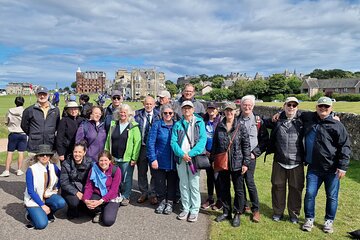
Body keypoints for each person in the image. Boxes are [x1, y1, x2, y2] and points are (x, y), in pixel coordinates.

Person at [301, 97, 351, 234]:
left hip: (332, 169)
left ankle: (329, 221)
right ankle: (309, 219)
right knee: (310, 194)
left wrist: (343, 166)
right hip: (314, 168)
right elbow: (294, 112)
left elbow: (345, 146)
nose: (323, 109)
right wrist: (280, 113)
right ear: (316, 107)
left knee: (332, 196)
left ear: (331, 109)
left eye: (326, 107)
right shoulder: (310, 119)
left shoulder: (337, 125)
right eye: (320, 106)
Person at [265, 97, 304, 224]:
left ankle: (294, 214)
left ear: (297, 107)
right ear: (284, 106)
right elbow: (262, 122)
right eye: (289, 104)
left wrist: (333, 115)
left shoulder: (303, 120)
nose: (291, 107)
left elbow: (320, 114)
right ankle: (278, 212)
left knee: (296, 188)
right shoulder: (277, 120)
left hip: (297, 161)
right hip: (280, 160)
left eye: (294, 105)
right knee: (277, 187)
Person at [212, 102, 251, 227]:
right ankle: (226, 211)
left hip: (237, 163)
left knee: (239, 190)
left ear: (235, 111)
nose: (229, 113)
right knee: (224, 188)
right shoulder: (219, 126)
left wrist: (246, 163)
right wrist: (214, 160)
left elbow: (246, 146)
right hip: (223, 163)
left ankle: (237, 213)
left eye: (231, 110)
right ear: (224, 112)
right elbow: (215, 145)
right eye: (227, 110)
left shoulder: (241, 127)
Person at [170, 100, 206, 222]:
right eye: (184, 108)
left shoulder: (199, 122)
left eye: (189, 108)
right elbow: (173, 142)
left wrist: (190, 154)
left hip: (193, 159)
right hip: (181, 159)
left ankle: (194, 209)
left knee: (194, 184)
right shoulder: (178, 124)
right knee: (184, 184)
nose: (187, 110)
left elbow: (202, 141)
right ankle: (186, 208)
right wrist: (182, 154)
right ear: (181, 109)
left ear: (193, 109)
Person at [238, 95, 269, 223]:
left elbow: (264, 140)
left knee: (249, 182)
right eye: (245, 104)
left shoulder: (258, 121)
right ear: (241, 106)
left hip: (250, 156)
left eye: (249, 105)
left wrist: (255, 153)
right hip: (237, 156)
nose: (247, 107)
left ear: (253, 106)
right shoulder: (236, 119)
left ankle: (256, 210)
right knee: (239, 182)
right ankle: (244, 205)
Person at [104, 104, 141, 206]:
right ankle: (115, 193)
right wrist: (107, 155)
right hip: (114, 157)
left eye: (125, 112)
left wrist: (134, 158)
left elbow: (137, 143)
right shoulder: (113, 124)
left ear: (129, 113)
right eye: (121, 112)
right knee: (114, 177)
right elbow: (108, 140)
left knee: (126, 178)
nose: (123, 114)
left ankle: (126, 196)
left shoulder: (133, 126)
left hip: (127, 158)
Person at [24, 144, 66, 229]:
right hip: (34, 199)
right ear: (38, 157)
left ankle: (48, 212)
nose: (45, 156)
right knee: (41, 225)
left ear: (50, 156)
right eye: (42, 155)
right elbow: (31, 191)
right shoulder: (31, 169)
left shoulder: (53, 166)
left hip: (47, 195)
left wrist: (56, 188)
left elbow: (61, 177)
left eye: (47, 154)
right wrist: (42, 205)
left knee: (61, 202)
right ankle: (30, 215)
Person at [147, 104, 177, 215]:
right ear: (161, 114)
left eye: (170, 113)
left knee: (172, 183)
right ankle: (162, 201)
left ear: (173, 114)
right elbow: (151, 143)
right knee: (159, 183)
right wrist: (153, 159)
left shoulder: (176, 125)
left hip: (173, 160)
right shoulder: (157, 125)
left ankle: (170, 203)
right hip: (159, 160)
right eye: (165, 113)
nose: (168, 115)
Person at [134, 96, 161, 204]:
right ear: (143, 104)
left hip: (154, 147)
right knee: (141, 170)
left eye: (151, 104)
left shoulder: (159, 115)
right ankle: (143, 192)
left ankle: (153, 193)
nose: (148, 106)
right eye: (147, 104)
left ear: (154, 104)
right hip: (142, 146)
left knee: (154, 171)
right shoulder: (137, 114)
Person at [83, 150, 121, 226]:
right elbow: (89, 186)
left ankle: (107, 208)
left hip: (111, 196)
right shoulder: (93, 169)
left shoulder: (116, 170)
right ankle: (99, 211)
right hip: (97, 194)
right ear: (98, 161)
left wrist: (100, 201)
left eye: (105, 160)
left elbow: (114, 190)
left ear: (110, 161)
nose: (103, 163)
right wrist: (86, 200)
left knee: (108, 221)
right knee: (87, 205)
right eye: (101, 160)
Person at [21, 86, 60, 154]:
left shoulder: (55, 110)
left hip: (50, 144)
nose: (42, 96)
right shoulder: (29, 110)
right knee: (34, 164)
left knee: (50, 164)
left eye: (44, 94)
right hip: (35, 145)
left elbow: (57, 125)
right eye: (40, 94)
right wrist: (34, 133)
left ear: (48, 95)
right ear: (36, 95)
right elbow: (24, 126)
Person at [60, 142, 92, 219]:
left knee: (91, 204)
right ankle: (72, 208)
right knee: (74, 202)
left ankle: (82, 207)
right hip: (71, 190)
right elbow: (64, 182)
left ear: (84, 153)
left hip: (85, 189)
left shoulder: (90, 163)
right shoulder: (66, 163)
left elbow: (91, 181)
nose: (77, 154)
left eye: (80, 152)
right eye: (75, 152)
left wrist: (86, 192)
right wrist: (76, 192)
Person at [200, 103, 222, 211]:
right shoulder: (203, 120)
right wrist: (204, 151)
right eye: (209, 108)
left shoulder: (221, 121)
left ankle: (220, 200)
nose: (211, 110)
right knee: (209, 177)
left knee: (217, 177)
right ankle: (210, 198)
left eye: (213, 108)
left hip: (217, 154)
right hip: (206, 153)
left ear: (217, 110)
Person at [1, 96, 27, 177]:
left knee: (10, 152)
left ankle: (7, 170)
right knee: (21, 152)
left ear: (15, 102)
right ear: (23, 102)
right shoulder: (25, 111)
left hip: (13, 134)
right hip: (22, 134)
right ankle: (19, 170)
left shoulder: (10, 111)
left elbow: (7, 121)